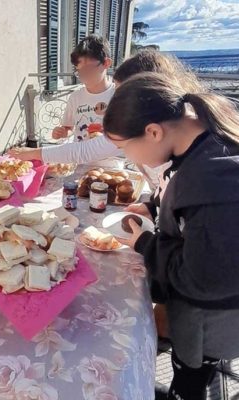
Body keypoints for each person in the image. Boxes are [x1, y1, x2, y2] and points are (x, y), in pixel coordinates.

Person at [104, 72, 239, 400]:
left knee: (191, 378)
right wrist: (155, 206)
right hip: (212, 310)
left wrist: (145, 244)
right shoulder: (204, 141)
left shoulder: (212, 183)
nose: (128, 159)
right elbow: (182, 193)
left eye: (125, 148)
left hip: (210, 320)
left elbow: (200, 279)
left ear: (152, 132)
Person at [8, 50, 205, 190]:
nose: (117, 102)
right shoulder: (169, 138)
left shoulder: (205, 176)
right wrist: (153, 209)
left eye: (122, 95)